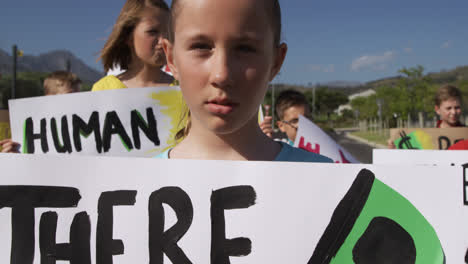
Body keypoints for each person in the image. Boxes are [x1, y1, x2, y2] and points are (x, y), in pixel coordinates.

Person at [158, 0, 331, 162]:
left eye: (245, 48)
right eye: (200, 46)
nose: (221, 75)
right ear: (172, 58)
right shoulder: (135, 183)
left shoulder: (331, 183)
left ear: (276, 62)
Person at [92, 0, 174, 91]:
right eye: (152, 32)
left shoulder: (183, 89)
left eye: (168, 32)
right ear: (128, 36)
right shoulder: (103, 90)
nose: (163, 40)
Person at [0, 71, 81, 153]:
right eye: (70, 95)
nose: (78, 100)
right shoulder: (32, 128)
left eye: (80, 95)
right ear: (49, 98)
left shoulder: (82, 125)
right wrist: (11, 155)